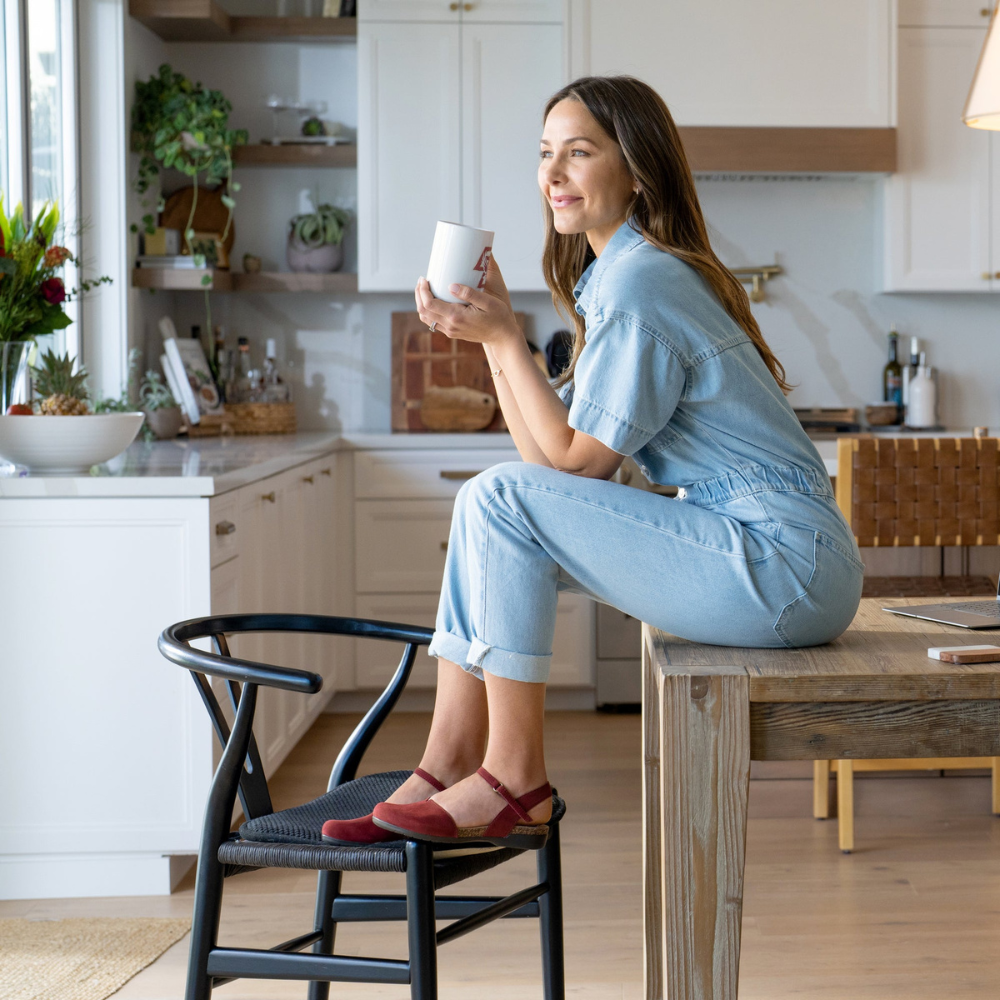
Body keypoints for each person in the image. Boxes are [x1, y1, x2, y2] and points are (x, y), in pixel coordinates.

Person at [322, 75, 864, 850]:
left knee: (497, 498)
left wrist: (508, 343)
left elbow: (578, 468)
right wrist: (498, 339)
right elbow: (546, 465)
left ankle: (511, 778)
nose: (552, 173)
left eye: (579, 152)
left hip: (782, 561)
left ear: (637, 170)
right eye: (545, 154)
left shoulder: (644, 282)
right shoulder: (617, 277)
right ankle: (445, 766)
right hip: (761, 551)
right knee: (492, 510)